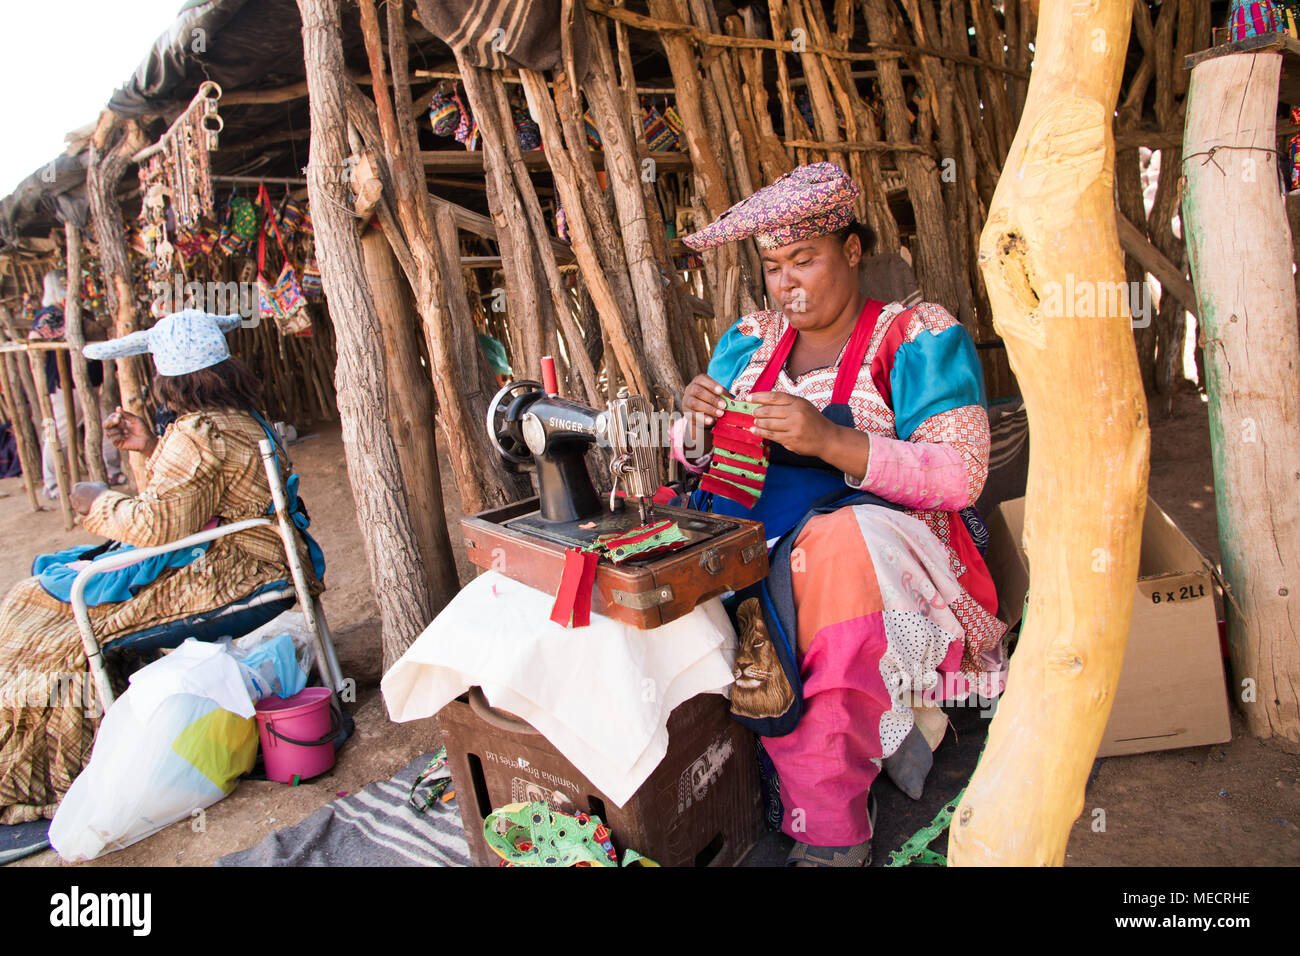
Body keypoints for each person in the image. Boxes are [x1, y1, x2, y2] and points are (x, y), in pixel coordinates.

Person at [672, 163, 1006, 866]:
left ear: (852, 252)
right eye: (771, 267)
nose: (786, 283)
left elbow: (960, 475)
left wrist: (831, 441)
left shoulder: (916, 336)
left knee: (831, 553)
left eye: (804, 260)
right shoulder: (749, 339)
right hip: (754, 531)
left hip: (877, 554)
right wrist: (696, 427)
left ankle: (828, 823)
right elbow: (703, 468)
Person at [0, 310, 323, 824]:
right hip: (267, 562)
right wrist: (150, 447)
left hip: (232, 577)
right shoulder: (243, 420)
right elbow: (200, 496)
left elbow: (157, 525)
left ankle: (61, 774)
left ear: (169, 378)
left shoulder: (197, 432)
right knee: (48, 594)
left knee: (46, 616)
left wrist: (96, 500)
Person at [26, 305, 125, 496]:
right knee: (60, 431)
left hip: (91, 380)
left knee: (103, 425)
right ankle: (53, 483)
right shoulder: (50, 315)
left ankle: (112, 471)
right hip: (67, 384)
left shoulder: (81, 311)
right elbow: (34, 338)